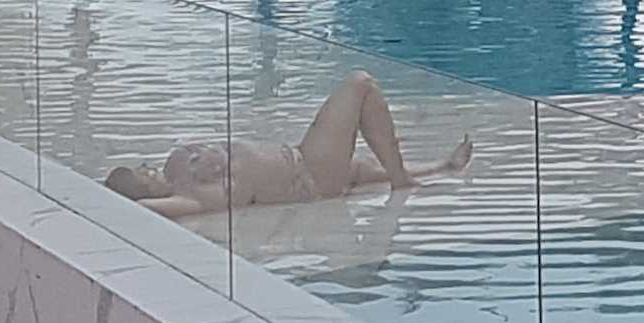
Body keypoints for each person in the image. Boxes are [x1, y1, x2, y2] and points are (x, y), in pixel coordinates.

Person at [104, 70, 472, 219]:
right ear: (146, 192)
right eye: (144, 177)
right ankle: (401, 180)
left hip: (300, 156)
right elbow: (144, 210)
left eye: (143, 168)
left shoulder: (178, 164)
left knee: (364, 169)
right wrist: (109, 202)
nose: (148, 169)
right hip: (309, 176)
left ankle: (441, 167)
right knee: (360, 85)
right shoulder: (192, 197)